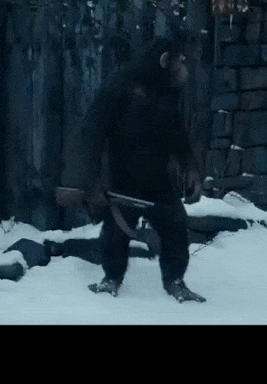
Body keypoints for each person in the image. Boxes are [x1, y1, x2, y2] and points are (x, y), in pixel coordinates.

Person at [82, 36, 206, 302]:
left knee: (176, 226)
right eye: (181, 61)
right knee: (116, 231)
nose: (185, 68)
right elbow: (93, 133)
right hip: (123, 173)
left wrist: (190, 167)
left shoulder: (168, 89)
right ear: (165, 61)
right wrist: (93, 181)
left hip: (158, 175)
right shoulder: (122, 84)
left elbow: (176, 131)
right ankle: (111, 279)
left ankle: (175, 281)